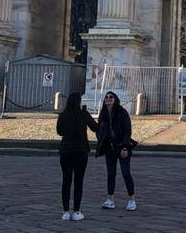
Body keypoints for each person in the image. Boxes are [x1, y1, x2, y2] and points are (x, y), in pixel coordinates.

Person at [56, 91, 98, 221]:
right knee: (78, 182)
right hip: (80, 151)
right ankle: (77, 211)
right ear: (79, 102)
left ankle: (65, 211)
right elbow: (95, 127)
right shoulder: (83, 114)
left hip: (66, 151)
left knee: (66, 181)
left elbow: (59, 132)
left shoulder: (63, 115)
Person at [96, 91, 137, 212]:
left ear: (115, 99)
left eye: (111, 97)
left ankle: (132, 199)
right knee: (111, 173)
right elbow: (99, 129)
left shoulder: (122, 112)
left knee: (125, 173)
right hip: (109, 147)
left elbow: (127, 131)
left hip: (122, 146)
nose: (108, 99)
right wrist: (101, 140)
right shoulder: (103, 114)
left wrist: (124, 147)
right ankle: (110, 199)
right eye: (106, 97)